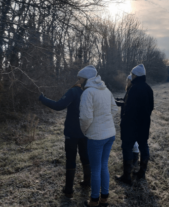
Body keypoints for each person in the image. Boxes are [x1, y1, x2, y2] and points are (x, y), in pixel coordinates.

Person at [38, 79, 90, 198]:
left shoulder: (73, 91)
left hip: (72, 132)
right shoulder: (89, 92)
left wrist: (42, 98)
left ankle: (68, 190)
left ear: (79, 80)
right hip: (86, 131)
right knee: (85, 157)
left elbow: (58, 105)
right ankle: (87, 182)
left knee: (71, 158)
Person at [78, 65, 118, 207]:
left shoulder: (88, 93)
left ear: (86, 79)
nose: (79, 81)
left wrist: (85, 131)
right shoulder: (105, 90)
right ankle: (104, 199)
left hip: (96, 136)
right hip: (110, 134)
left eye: (81, 78)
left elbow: (85, 118)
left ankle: (94, 201)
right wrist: (105, 120)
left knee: (95, 169)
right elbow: (114, 108)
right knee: (103, 166)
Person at [115, 64, 154, 185]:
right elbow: (151, 107)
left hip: (131, 126)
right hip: (144, 125)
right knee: (144, 147)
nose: (131, 76)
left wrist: (124, 123)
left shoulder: (134, 89)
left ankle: (127, 176)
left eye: (132, 74)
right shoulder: (148, 89)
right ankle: (141, 173)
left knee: (127, 148)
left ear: (136, 75)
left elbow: (128, 109)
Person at [115, 75, 139, 167]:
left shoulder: (132, 90)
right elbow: (125, 100)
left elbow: (126, 104)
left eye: (128, 80)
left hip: (130, 120)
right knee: (133, 142)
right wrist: (117, 99)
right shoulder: (129, 90)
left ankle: (133, 162)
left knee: (132, 143)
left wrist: (115, 102)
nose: (127, 82)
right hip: (129, 119)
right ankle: (134, 161)